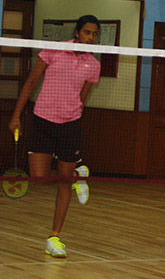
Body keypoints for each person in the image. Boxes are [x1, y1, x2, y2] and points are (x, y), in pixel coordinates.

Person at [9, 15, 101, 258]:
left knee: (63, 183)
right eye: (87, 32)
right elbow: (31, 82)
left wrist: (73, 115)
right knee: (39, 177)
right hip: (42, 120)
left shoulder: (93, 65)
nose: (91, 38)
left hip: (70, 124)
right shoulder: (54, 50)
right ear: (77, 32)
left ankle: (54, 237)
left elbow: (83, 97)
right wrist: (16, 115)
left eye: (94, 34)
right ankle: (78, 176)